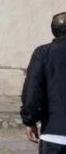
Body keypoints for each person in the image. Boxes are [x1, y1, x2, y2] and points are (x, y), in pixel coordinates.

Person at [20, 11, 66, 153]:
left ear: (53, 31)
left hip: (53, 132)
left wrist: (30, 120)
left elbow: (32, 89)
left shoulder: (43, 53)